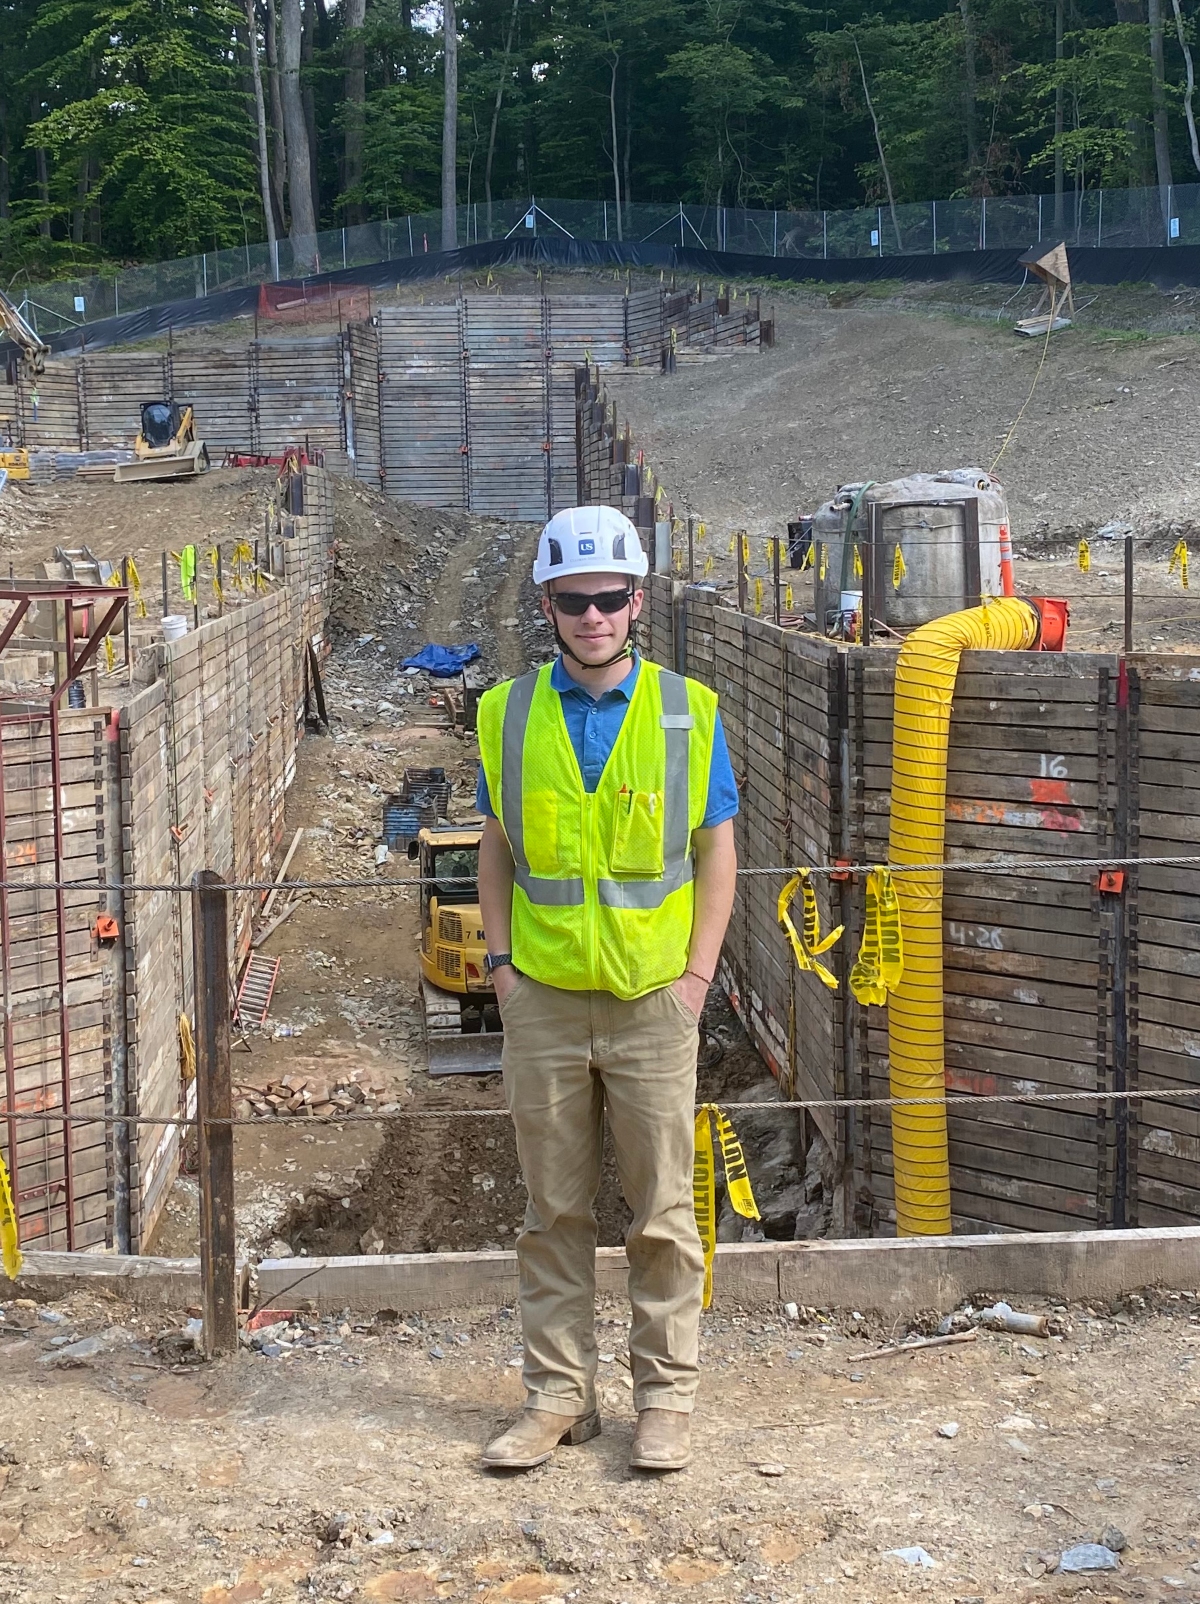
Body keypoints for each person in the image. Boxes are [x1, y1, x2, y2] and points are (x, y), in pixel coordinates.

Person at [475, 504, 739, 1474]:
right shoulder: (506, 713)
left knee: (664, 1212)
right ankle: (557, 1398)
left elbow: (719, 855)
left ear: (638, 600)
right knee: (555, 1213)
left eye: (610, 597)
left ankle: (664, 1398)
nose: (594, 615)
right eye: (575, 599)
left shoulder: (688, 710)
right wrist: (501, 966)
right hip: (542, 996)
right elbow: (495, 847)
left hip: (651, 1000)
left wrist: (698, 976)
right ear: (549, 604)